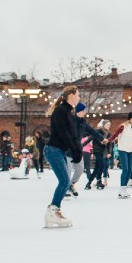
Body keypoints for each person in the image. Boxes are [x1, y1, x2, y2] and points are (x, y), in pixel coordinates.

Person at [43, 86, 81, 228]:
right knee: (65, 181)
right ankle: (53, 211)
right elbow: (63, 133)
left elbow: (72, 135)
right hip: (53, 150)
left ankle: (52, 213)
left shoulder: (68, 112)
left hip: (58, 151)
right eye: (78, 95)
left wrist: (78, 150)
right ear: (71, 95)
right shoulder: (60, 111)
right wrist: (73, 149)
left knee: (65, 182)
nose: (79, 98)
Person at [69, 103, 106, 197]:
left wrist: (102, 138)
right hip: (68, 150)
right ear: (78, 111)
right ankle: (65, 188)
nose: (85, 112)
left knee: (80, 170)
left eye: (85, 110)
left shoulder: (83, 123)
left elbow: (93, 132)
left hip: (78, 150)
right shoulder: (70, 121)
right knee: (67, 171)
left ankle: (70, 184)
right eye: (83, 110)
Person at [107, 112, 132, 199]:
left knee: (129, 170)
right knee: (125, 169)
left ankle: (124, 189)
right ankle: (121, 190)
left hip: (130, 151)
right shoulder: (123, 126)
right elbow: (115, 135)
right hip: (122, 150)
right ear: (129, 119)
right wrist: (108, 140)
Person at [86, 120, 111, 190]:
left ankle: (89, 183)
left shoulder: (108, 133)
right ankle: (99, 181)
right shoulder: (98, 131)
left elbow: (109, 143)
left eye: (109, 125)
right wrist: (81, 145)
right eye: (107, 124)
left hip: (103, 152)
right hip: (96, 150)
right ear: (103, 125)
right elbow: (90, 139)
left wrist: (109, 152)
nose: (108, 126)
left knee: (96, 168)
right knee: (102, 164)